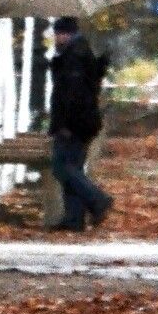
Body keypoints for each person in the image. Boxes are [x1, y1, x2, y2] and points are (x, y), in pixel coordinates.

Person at [47, 16, 114, 231]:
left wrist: (65, 124)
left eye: (58, 33)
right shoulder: (80, 53)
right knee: (72, 165)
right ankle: (74, 219)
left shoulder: (73, 56)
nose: (55, 38)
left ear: (65, 33)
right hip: (84, 121)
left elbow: (71, 95)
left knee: (61, 167)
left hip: (74, 123)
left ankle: (97, 199)